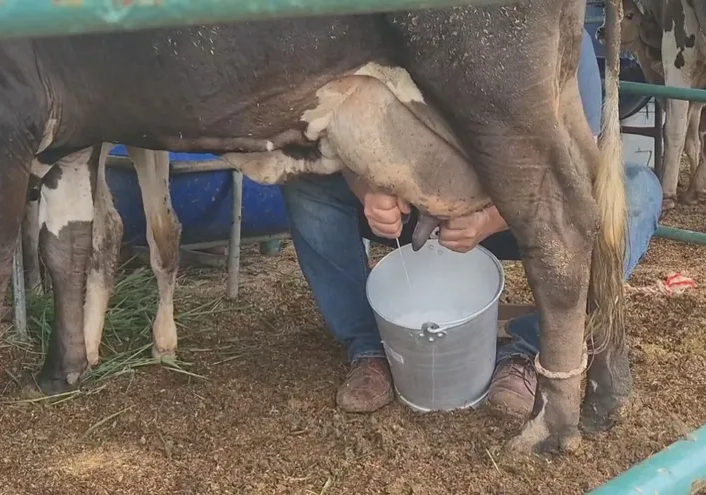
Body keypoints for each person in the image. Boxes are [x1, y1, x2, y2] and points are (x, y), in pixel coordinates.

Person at [278, 30, 662, 416]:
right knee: (307, 184)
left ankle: (526, 350)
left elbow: (577, 169)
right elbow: (346, 126)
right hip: (415, 211)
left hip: (520, 217)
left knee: (636, 192)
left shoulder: (557, 32)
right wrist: (369, 190)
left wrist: (491, 219)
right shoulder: (403, 22)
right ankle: (372, 348)